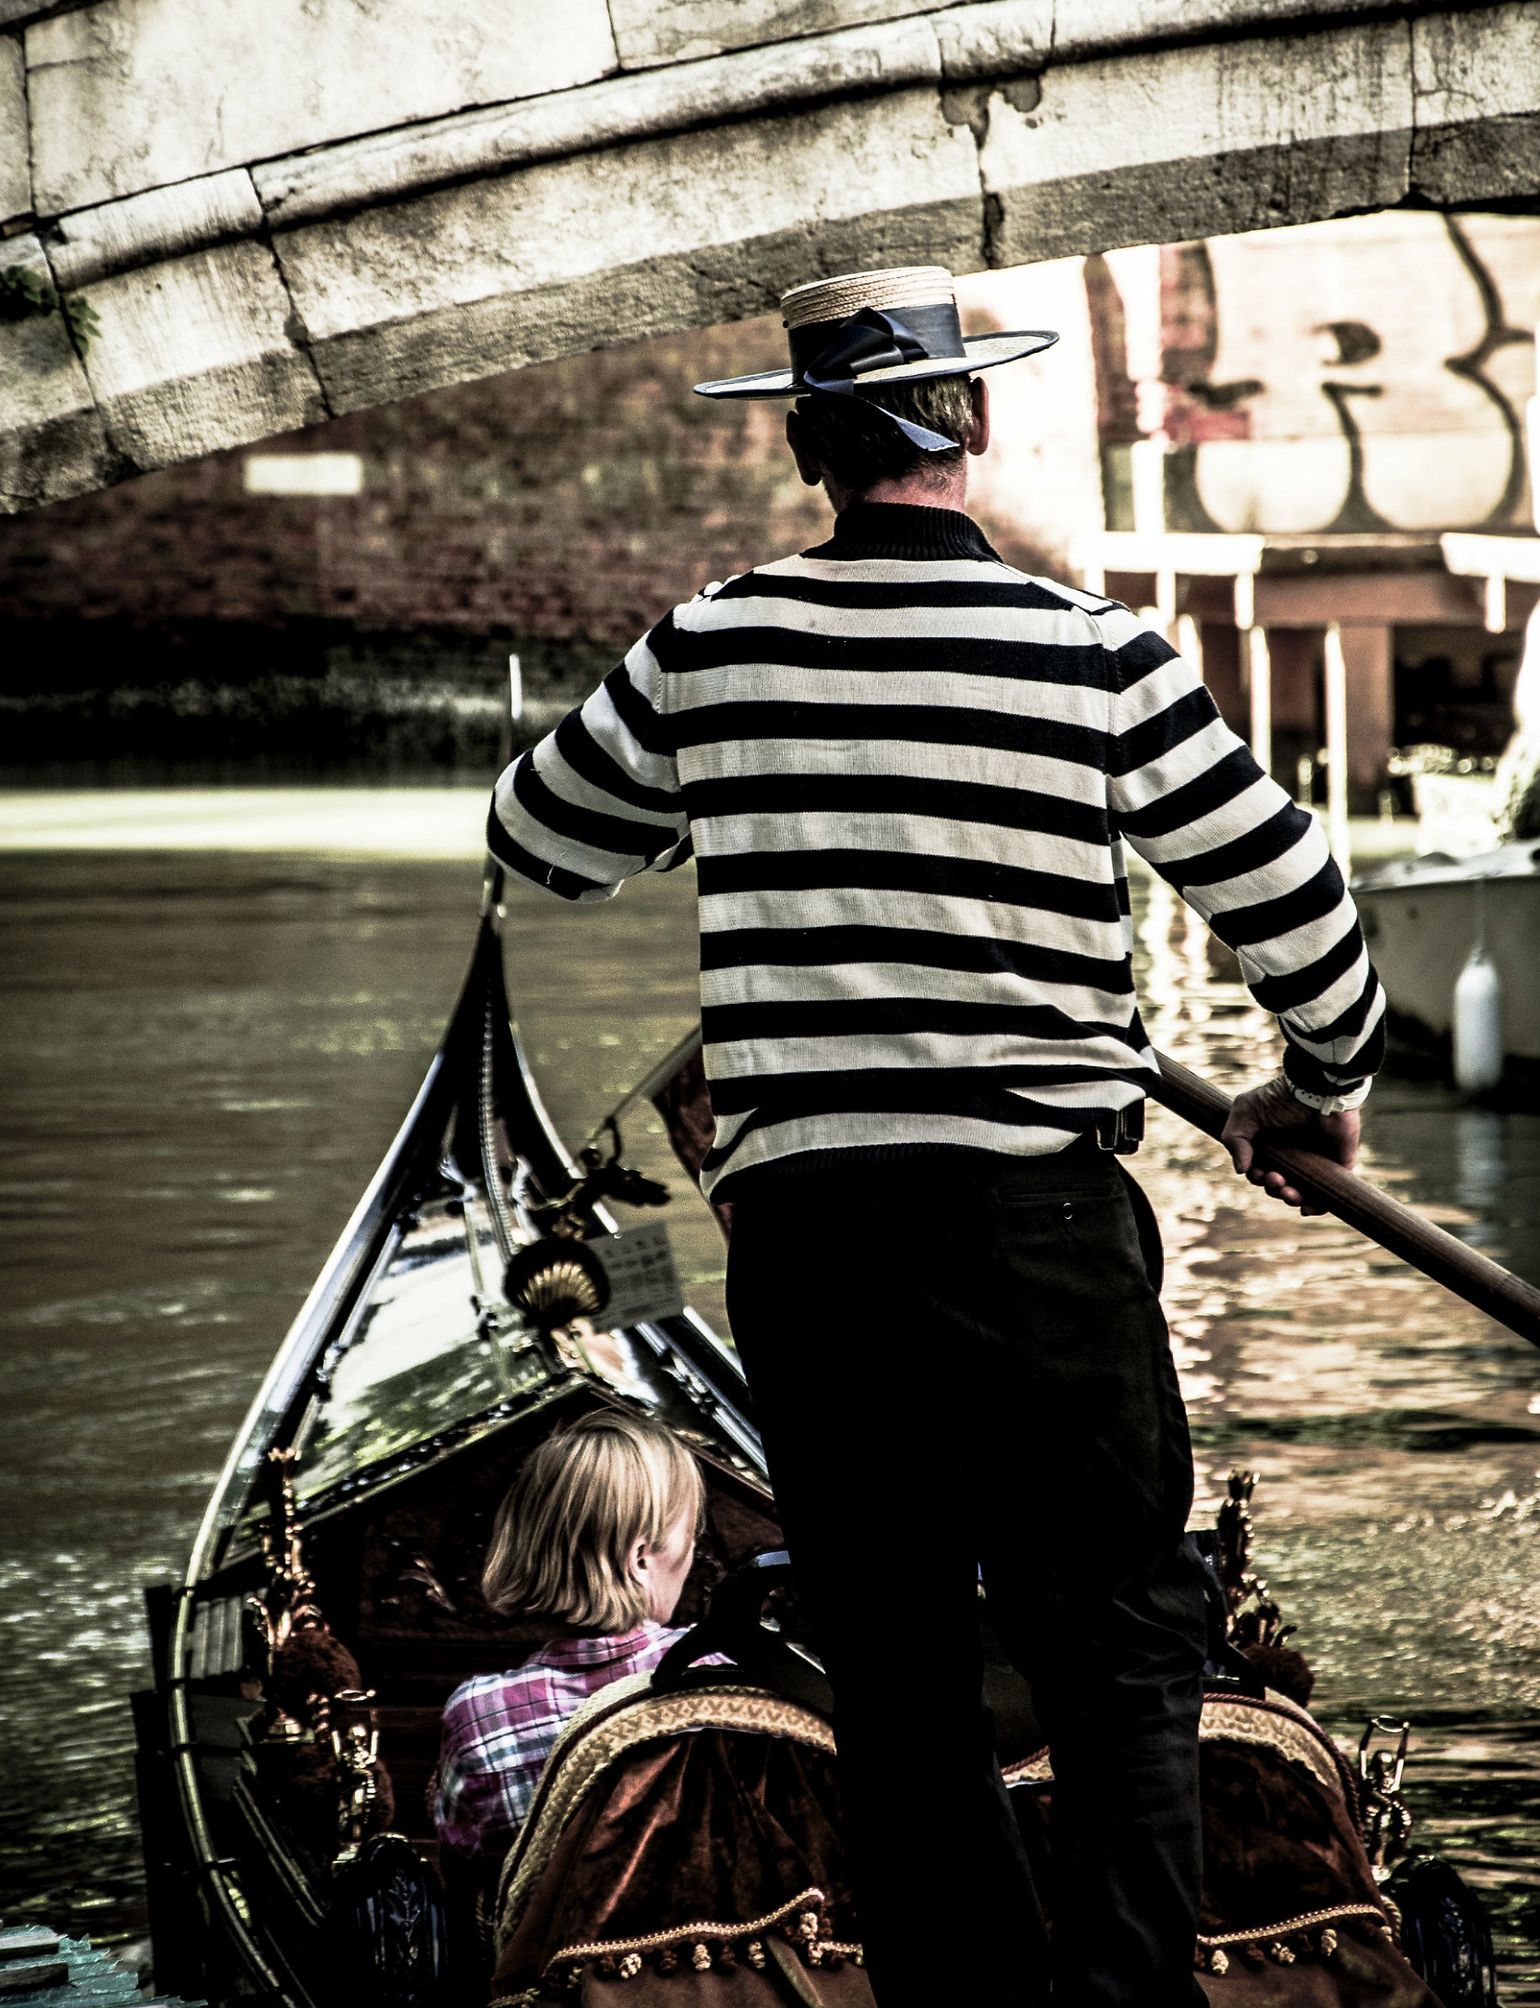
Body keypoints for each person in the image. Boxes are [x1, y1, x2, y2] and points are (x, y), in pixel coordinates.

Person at [486, 266, 1383, 2005]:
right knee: (1121, 1648)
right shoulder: (1098, 650)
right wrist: (1314, 1088)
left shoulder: (711, 647)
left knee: (893, 1659)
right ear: (975, 425)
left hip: (818, 1241)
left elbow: (538, 845)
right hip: (1043, 1226)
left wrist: (740, 794)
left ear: (810, 446)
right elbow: (1310, 912)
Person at [432, 1408, 704, 1858]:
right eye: (690, 1534)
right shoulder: (726, 1668)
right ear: (640, 1559)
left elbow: (468, 1878)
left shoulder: (477, 1716)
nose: (692, 1551)